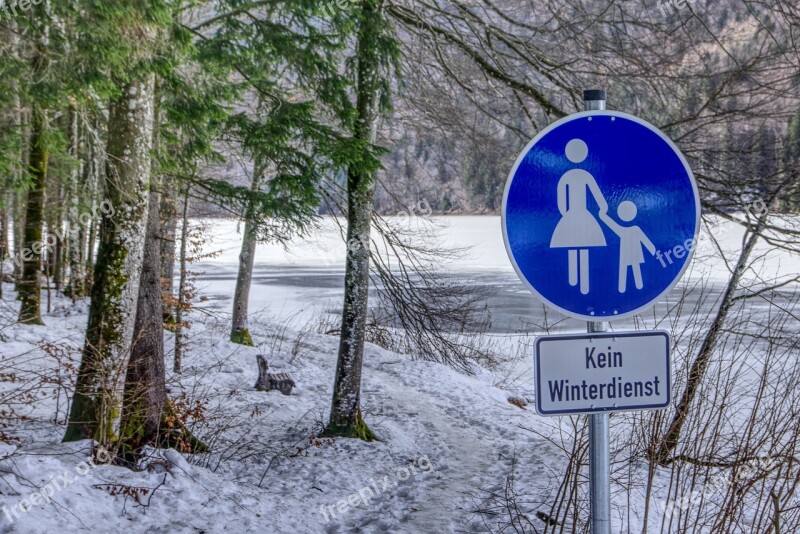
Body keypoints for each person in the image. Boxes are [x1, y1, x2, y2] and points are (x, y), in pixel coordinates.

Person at [550, 138, 608, 295]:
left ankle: (575, 280)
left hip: (572, 215)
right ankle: (580, 284)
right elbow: (597, 194)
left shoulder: (567, 177)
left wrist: (566, 215)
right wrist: (603, 207)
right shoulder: (584, 175)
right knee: (583, 246)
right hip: (582, 214)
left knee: (573, 245)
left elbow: (561, 200)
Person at [598, 200, 656, 293]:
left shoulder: (626, 230)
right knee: (630, 269)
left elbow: (644, 240)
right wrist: (652, 249)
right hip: (631, 254)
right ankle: (631, 288)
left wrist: (603, 216)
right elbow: (645, 240)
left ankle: (626, 288)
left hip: (629, 254)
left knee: (627, 270)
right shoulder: (632, 230)